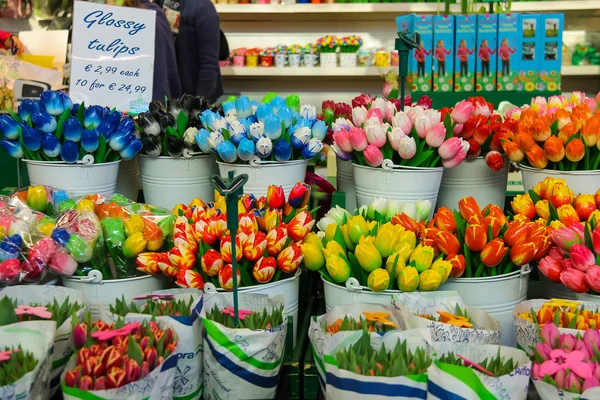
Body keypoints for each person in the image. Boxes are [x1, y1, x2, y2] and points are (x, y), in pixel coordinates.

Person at [159, 0, 223, 103]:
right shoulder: (157, 4)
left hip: (192, 94)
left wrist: (199, 102)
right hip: (165, 96)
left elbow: (209, 62)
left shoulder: (202, 7)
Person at [121, 0, 181, 101]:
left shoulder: (119, 17)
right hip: (155, 101)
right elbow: (167, 66)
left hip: (125, 98)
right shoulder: (156, 16)